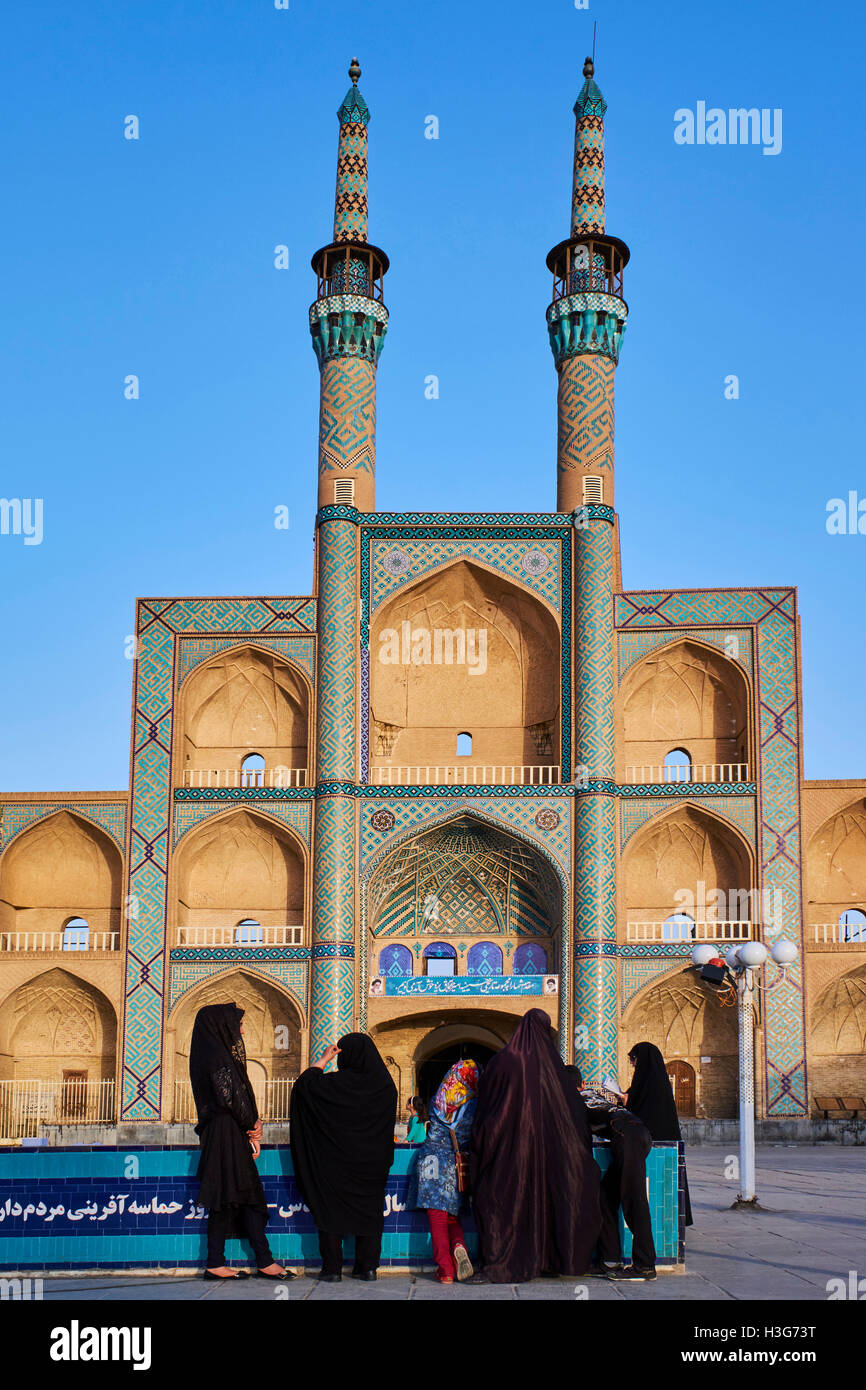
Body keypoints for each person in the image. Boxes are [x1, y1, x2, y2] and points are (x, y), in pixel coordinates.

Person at [468, 1010, 600, 1282]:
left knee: (503, 1200)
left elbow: (486, 1106)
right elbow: (576, 1116)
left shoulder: (505, 1060)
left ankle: (503, 1262)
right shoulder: (557, 1071)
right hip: (553, 1156)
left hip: (510, 1152)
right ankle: (551, 1259)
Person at [189, 1002, 293, 1280]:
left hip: (227, 1133)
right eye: (237, 1024)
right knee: (231, 1197)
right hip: (225, 1134)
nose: (243, 1031)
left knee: (238, 1196)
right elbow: (229, 1097)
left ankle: (245, 1260)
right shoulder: (216, 1057)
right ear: (222, 1026)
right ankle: (239, 1261)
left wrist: (249, 1126)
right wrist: (253, 1124)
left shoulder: (210, 1053)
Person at [290, 1032, 398, 1282]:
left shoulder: (332, 1086)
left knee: (331, 1212)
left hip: (334, 1163)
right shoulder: (385, 1086)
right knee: (370, 1211)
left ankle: (332, 1269)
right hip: (373, 1164)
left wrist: (324, 1059)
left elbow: (304, 1086)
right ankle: (368, 1267)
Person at [566, 1065, 656, 1282]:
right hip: (639, 1134)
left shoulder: (571, 1103)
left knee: (634, 1201)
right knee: (605, 1198)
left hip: (627, 1139)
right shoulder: (593, 1094)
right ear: (583, 1084)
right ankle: (610, 1260)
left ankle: (644, 1266)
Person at [408, 1060, 478, 1283]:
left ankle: (445, 1268)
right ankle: (458, 1246)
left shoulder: (443, 1097)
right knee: (451, 1215)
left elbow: (436, 1122)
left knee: (437, 1216)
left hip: (433, 1158)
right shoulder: (474, 1104)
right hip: (457, 1162)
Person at [625, 1041, 693, 1226]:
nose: (632, 1064)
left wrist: (626, 1103)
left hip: (658, 1142)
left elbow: (640, 1110)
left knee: (661, 1184)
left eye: (634, 1059)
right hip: (657, 1140)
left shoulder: (651, 1084)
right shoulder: (653, 1081)